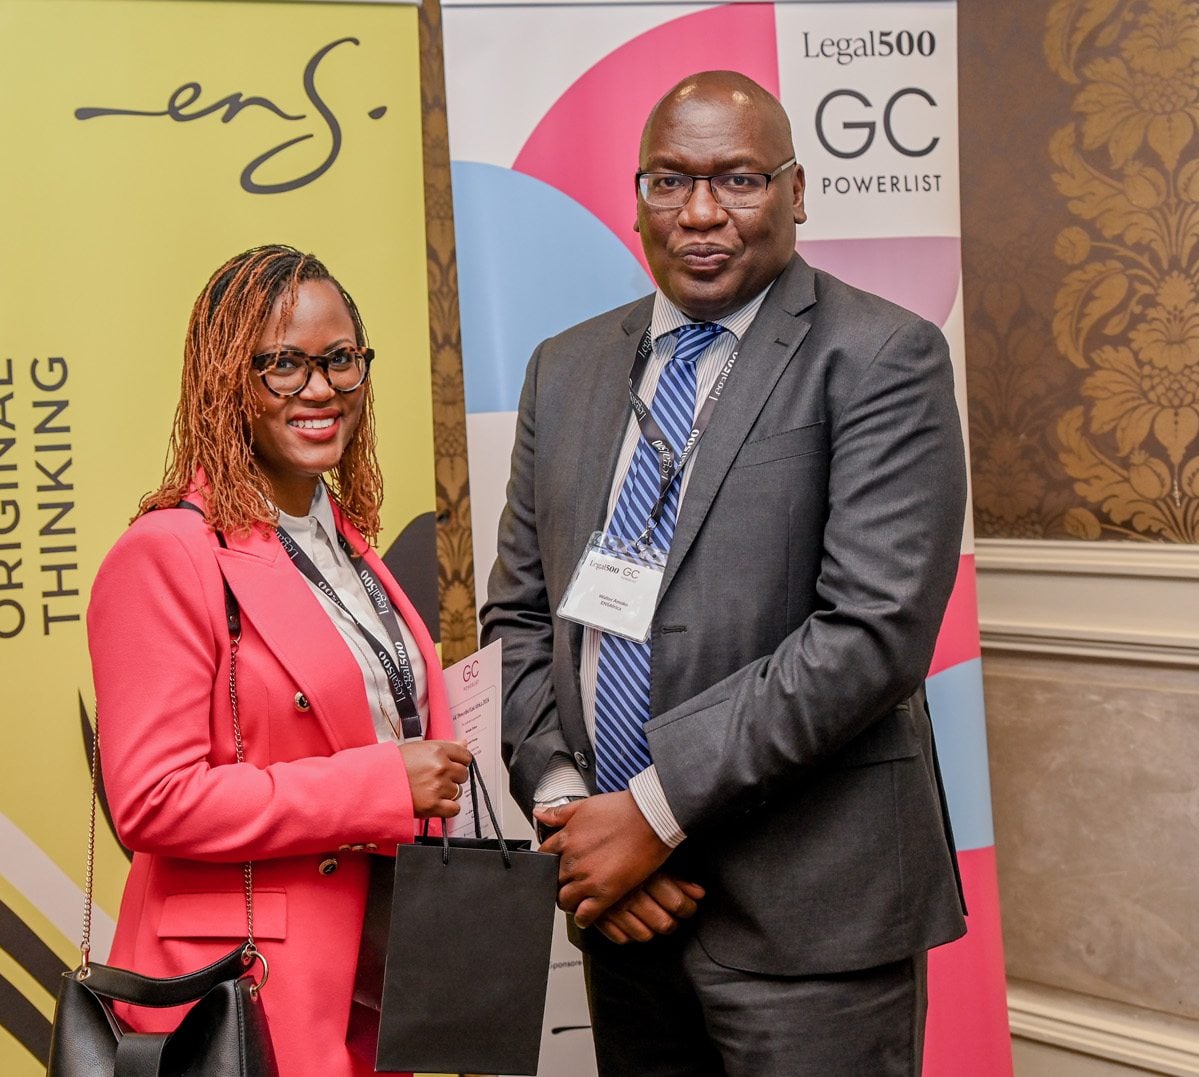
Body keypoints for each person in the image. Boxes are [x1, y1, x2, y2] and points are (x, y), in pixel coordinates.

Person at [481, 71, 968, 1075]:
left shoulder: (883, 356)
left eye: (738, 179)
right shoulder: (565, 368)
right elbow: (521, 616)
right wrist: (573, 810)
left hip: (810, 924)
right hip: (624, 912)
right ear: (637, 199)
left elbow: (870, 633)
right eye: (670, 181)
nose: (700, 213)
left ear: (796, 192)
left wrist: (651, 811)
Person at [87, 245, 471, 1076]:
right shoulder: (168, 552)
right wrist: (381, 783)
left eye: (340, 360)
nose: (320, 388)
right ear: (226, 380)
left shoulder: (345, 545)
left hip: (377, 979)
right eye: (283, 365)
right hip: (244, 992)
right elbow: (152, 800)